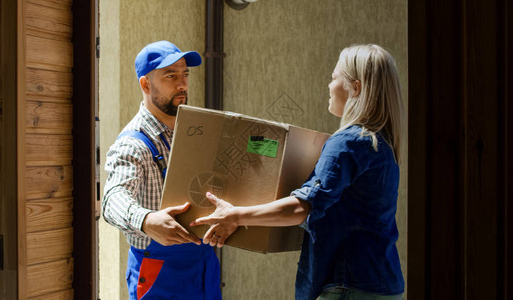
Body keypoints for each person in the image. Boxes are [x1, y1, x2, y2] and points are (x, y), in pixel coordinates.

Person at [191, 44, 405, 300]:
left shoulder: (347, 142)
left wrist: (235, 215)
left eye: (334, 78)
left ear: (355, 88)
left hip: (348, 286)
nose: (329, 85)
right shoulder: (381, 144)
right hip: (383, 284)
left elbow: (302, 207)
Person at [102, 40, 221, 300]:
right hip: (158, 272)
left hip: (203, 264)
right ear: (145, 84)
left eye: (185, 74)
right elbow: (112, 200)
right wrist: (146, 220)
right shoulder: (133, 143)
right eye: (170, 76)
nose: (182, 84)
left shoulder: (194, 131)